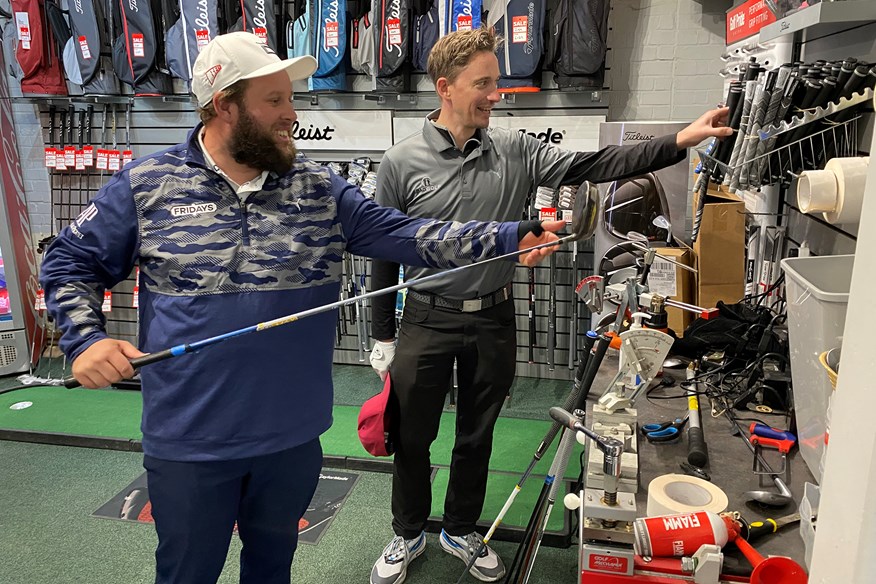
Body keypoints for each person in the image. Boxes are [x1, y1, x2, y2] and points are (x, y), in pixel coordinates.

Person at [38, 31, 564, 584]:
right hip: (190, 441)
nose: (293, 112)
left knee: (272, 570)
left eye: (290, 97)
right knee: (187, 573)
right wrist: (85, 339)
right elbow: (70, 262)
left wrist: (510, 236)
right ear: (224, 105)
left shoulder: (318, 188)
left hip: (289, 439)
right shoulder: (147, 185)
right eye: (275, 100)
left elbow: (412, 235)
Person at [367, 27, 734, 584]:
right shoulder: (400, 162)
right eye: (482, 84)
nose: (495, 94)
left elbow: (597, 164)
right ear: (445, 88)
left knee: (477, 434)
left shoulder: (515, 148)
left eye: (496, 81)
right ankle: (408, 532)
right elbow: (382, 248)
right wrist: (382, 335)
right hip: (425, 317)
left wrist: (678, 140)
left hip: (493, 316)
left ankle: (460, 528)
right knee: (413, 438)